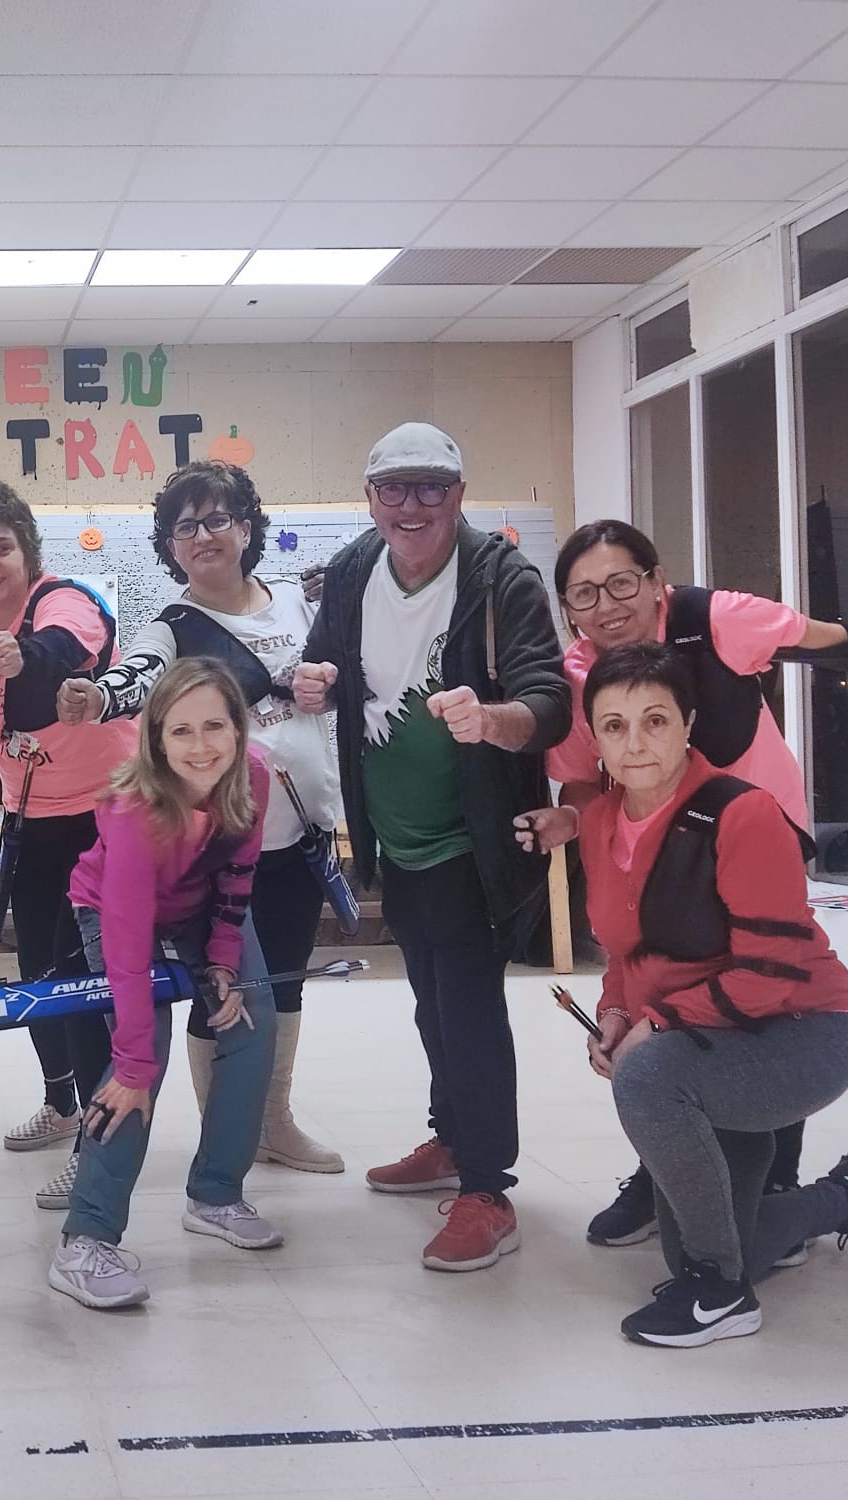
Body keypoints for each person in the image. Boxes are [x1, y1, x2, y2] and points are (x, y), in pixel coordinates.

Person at [521, 519, 848, 1249]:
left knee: (759, 997)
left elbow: (836, 642)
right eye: (583, 594)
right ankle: (665, 1168)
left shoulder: (715, 619)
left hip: (757, 829)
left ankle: (777, 1179)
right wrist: (574, 827)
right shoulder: (580, 675)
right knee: (663, 978)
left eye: (621, 583)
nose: (606, 605)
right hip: (659, 842)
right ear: (567, 608)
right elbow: (579, 780)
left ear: (656, 580)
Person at [566, 642, 848, 1347]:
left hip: (805, 1031)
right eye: (614, 725)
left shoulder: (743, 814)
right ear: (595, 737)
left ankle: (723, 1296)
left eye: (655, 720)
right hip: (713, 1036)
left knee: (649, 1082)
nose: (634, 743)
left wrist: (657, 1025)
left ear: (688, 723)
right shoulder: (599, 824)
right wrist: (615, 1012)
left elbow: (776, 969)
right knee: (702, 1241)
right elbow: (627, 949)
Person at [293, 422, 568, 1273]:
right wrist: (307, 680)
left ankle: (487, 1188)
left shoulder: (501, 578)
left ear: (458, 493)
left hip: (470, 839)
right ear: (371, 498)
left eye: (431, 488)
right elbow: (322, 666)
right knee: (430, 1001)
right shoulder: (350, 571)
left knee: (469, 1005)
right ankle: (451, 1140)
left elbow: (550, 700)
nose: (412, 507)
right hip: (394, 838)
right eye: (394, 489)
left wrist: (492, 721)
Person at [58, 460, 347, 1193]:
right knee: (221, 994)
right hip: (222, 850)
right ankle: (228, 1135)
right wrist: (101, 697)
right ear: (171, 545)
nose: (204, 535)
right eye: (185, 526)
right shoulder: (172, 627)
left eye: (218, 518)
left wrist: (331, 681)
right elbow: (140, 676)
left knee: (284, 987)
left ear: (246, 528)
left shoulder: (296, 603)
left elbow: (343, 677)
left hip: (302, 838)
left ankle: (272, 1122)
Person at [47, 658, 280, 1310]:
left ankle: (216, 1193)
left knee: (252, 1014)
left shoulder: (254, 778)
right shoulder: (133, 811)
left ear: (239, 730)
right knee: (142, 1054)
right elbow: (124, 943)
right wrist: (131, 1061)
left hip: (201, 903)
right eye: (181, 732)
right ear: (156, 739)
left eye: (215, 727)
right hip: (114, 909)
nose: (201, 746)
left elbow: (237, 882)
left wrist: (226, 966)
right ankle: (85, 1237)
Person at [0, 480, 134, 1189]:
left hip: (105, 814)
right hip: (33, 816)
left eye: (3, 546)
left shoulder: (67, 600)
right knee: (36, 973)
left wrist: (27, 658)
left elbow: (65, 649)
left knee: (82, 978)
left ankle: (98, 1135)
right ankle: (60, 1102)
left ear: (28, 552)